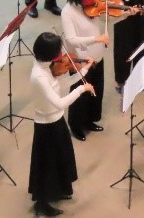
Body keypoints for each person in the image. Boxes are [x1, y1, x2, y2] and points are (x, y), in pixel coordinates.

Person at [28, 31, 95, 216]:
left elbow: (62, 84)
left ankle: (59, 190)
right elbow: (59, 102)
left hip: (57, 120)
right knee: (46, 166)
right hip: (46, 125)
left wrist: (84, 71)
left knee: (60, 158)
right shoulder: (39, 76)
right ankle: (42, 204)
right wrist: (82, 88)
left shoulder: (48, 65)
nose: (60, 57)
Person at [60, 0, 111, 142]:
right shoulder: (67, 12)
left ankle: (89, 121)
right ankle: (76, 126)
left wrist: (125, 13)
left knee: (96, 91)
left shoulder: (91, 5)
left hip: (97, 57)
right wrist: (96, 39)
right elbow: (71, 39)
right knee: (79, 96)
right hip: (81, 61)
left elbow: (104, 19)